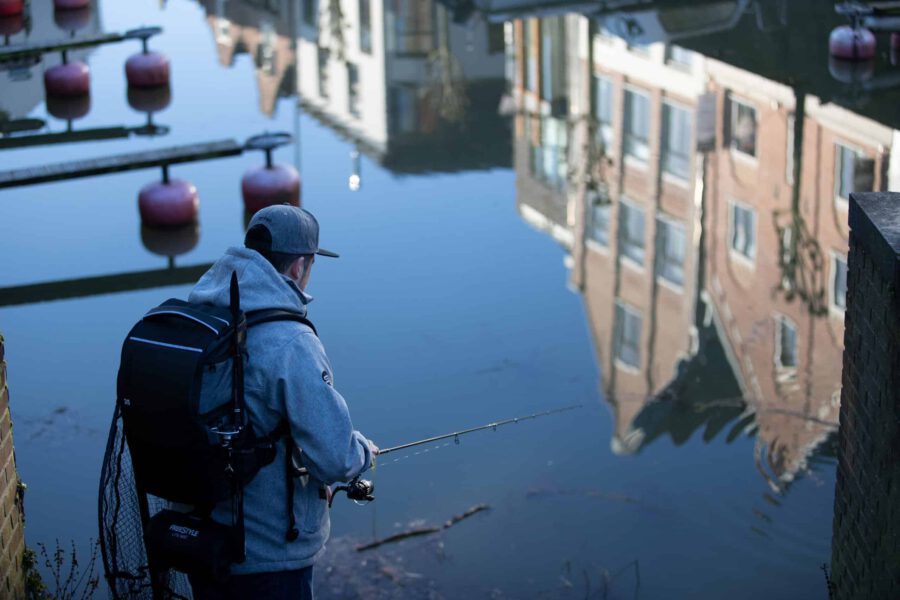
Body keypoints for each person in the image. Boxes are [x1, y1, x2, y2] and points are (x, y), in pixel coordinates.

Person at [186, 204, 378, 599]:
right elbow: (336, 457)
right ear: (297, 268)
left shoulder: (205, 313)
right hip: (268, 557)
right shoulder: (291, 342)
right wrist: (364, 453)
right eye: (310, 264)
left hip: (203, 541)